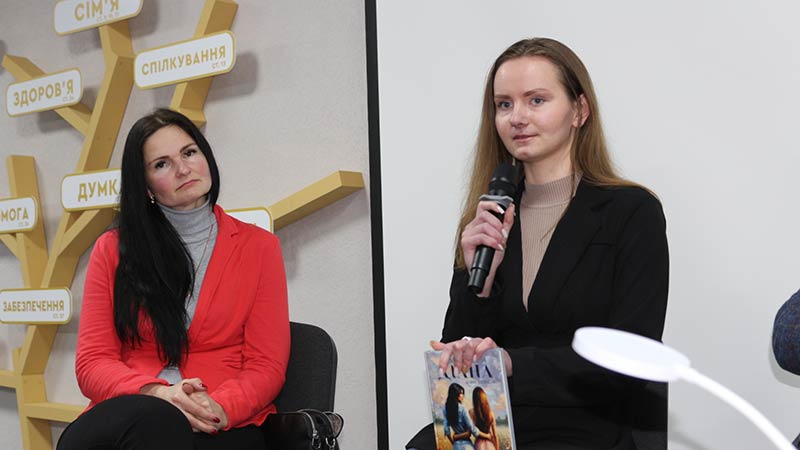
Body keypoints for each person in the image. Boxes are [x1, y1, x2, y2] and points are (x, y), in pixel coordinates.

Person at [422, 37, 669, 450]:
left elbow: (632, 356)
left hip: (589, 427)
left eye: (536, 100)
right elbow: (457, 355)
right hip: (493, 428)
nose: (517, 117)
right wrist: (480, 286)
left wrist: (511, 362)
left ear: (580, 110)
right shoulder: (488, 217)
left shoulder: (631, 212)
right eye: (504, 104)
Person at [57, 108, 290, 450]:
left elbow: (266, 365)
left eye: (189, 153)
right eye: (162, 164)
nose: (183, 169)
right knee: (152, 423)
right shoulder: (113, 249)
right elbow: (93, 362)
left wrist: (219, 407)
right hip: (134, 410)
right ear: (145, 185)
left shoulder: (260, 248)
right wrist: (158, 393)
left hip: (218, 417)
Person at [443, 383, 488, 450]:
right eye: (461, 393)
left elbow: (447, 430)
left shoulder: (445, 409)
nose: (463, 396)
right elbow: (472, 429)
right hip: (467, 446)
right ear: (456, 395)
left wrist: (453, 442)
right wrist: (487, 436)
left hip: (456, 446)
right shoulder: (462, 409)